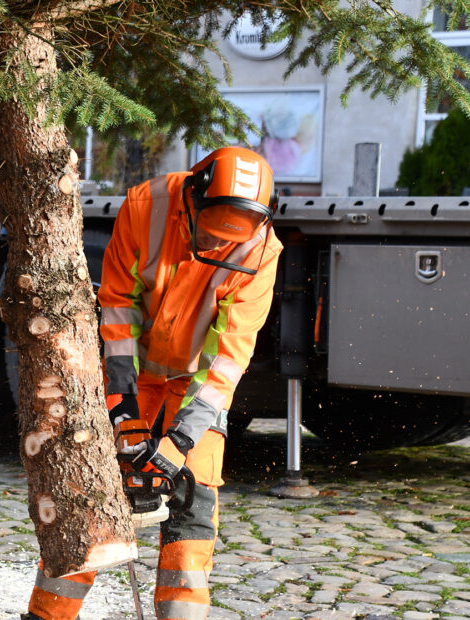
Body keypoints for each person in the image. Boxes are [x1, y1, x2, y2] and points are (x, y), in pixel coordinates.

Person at [23, 146, 284, 620]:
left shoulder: (262, 253)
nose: (214, 247)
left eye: (226, 242)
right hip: (136, 374)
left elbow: (227, 359)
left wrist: (181, 440)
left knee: (195, 496)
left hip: (195, 385)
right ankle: (48, 614)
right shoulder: (146, 208)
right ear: (192, 200)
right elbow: (119, 316)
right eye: (208, 233)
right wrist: (123, 413)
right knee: (91, 495)